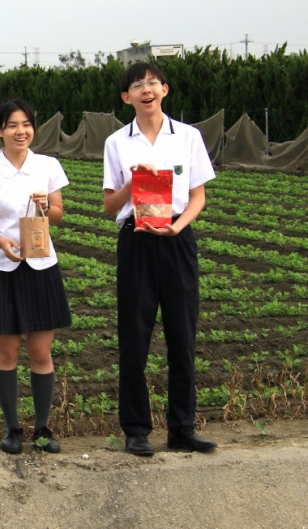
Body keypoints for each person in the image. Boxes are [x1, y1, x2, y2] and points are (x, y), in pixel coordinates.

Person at [103, 63, 218, 456]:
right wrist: (133, 180)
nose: (146, 89)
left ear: (165, 90)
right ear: (126, 97)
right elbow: (108, 206)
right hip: (135, 239)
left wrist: (179, 226)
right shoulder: (117, 142)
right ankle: (136, 430)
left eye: (152, 83)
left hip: (176, 239)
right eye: (137, 85)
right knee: (134, 338)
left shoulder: (188, 136)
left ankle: (182, 428)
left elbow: (198, 195)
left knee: (182, 336)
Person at [0, 99, 72, 455]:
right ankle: (12, 427)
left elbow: (57, 216)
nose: (20, 131)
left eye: (26, 124)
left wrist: (46, 207)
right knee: (7, 351)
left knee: (41, 351)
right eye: (12, 125)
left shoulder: (47, 166)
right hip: (2, 267)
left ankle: (42, 427)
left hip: (41, 266)